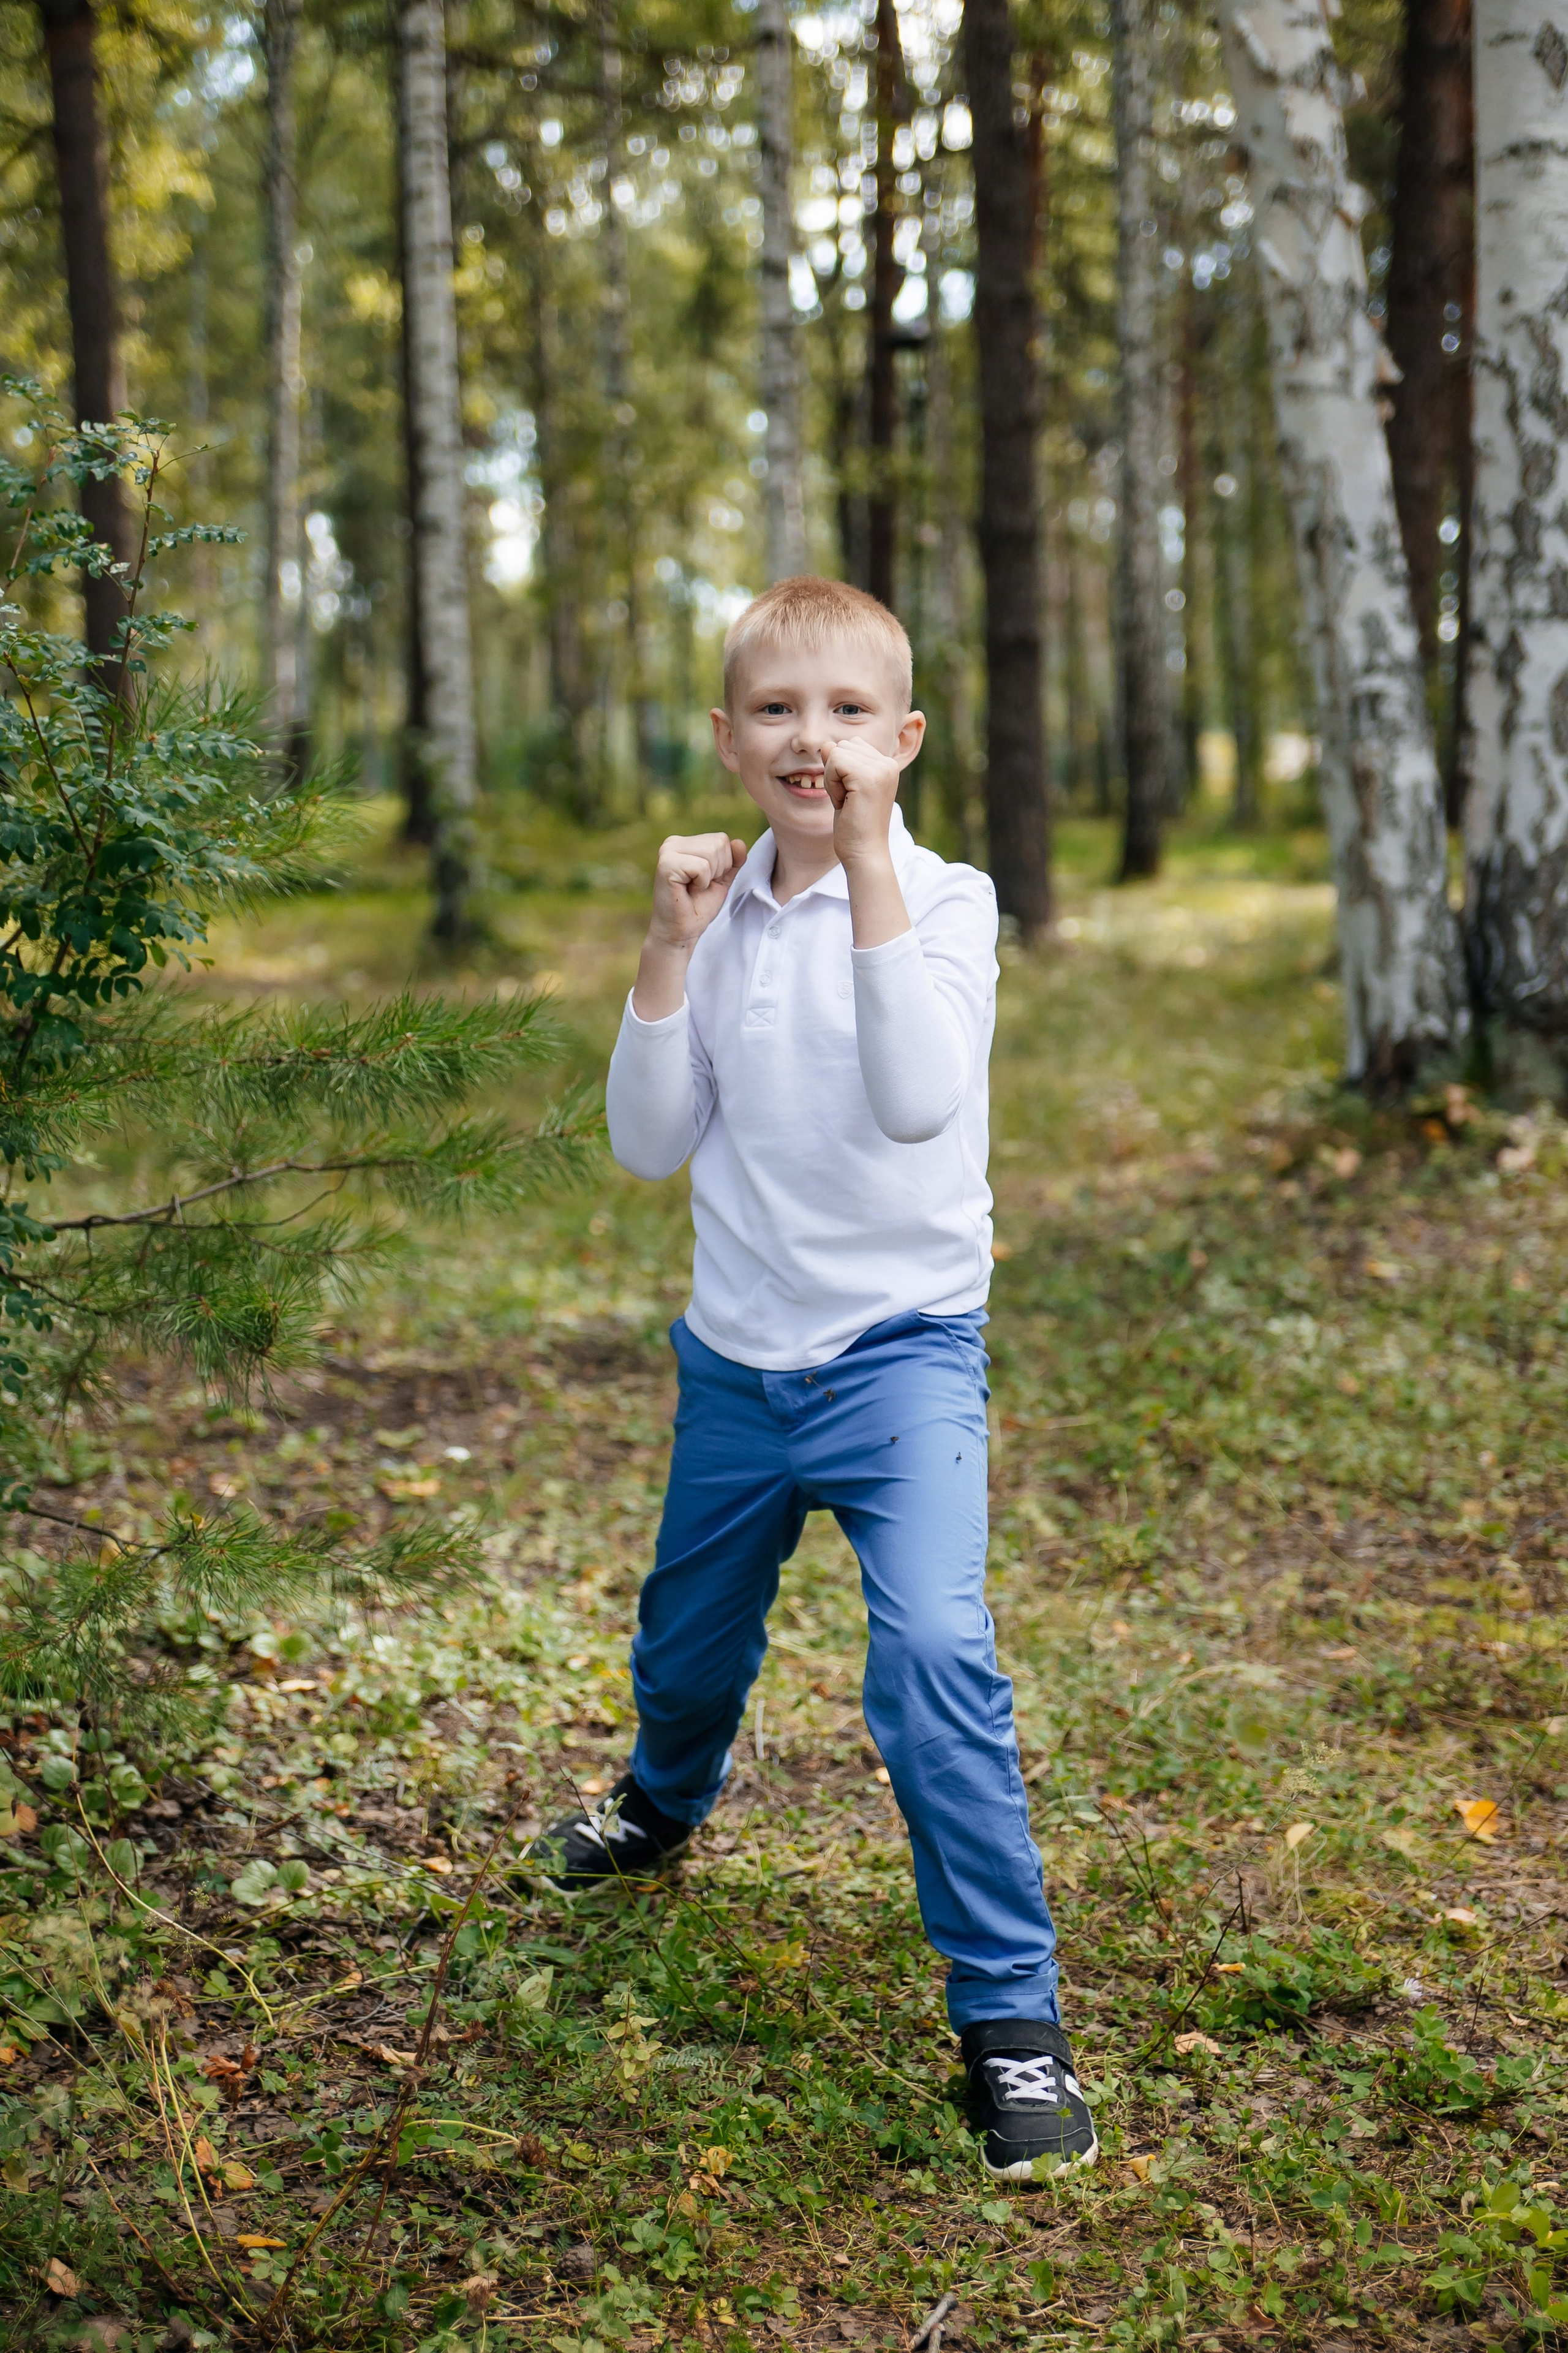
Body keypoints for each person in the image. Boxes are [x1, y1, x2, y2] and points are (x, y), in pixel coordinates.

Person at [544, 576, 1095, 2179]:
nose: (815, 739)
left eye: (851, 712)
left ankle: (1014, 2021)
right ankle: (661, 1799)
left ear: (904, 741)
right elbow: (649, 1140)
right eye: (779, 710)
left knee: (932, 1657)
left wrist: (862, 869)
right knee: (685, 1643)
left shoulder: (950, 900)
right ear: (728, 741)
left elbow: (920, 1098)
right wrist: (665, 948)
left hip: (903, 1355)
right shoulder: (713, 920)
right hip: (736, 1360)